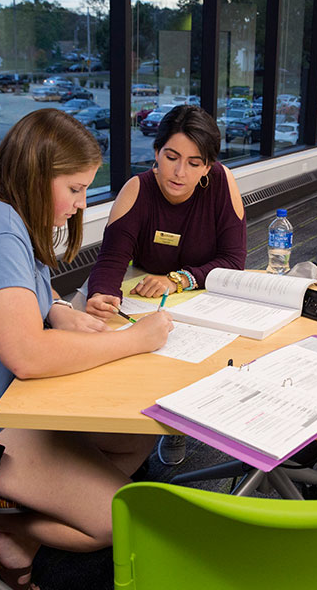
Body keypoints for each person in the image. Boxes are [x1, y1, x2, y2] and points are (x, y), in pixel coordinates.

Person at [0, 109, 173, 589]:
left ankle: (21, 525)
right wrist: (133, 341)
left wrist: (59, 311)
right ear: (38, 177)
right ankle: (6, 527)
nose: (81, 205)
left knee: (138, 436)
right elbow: (29, 355)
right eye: (76, 189)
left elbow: (27, 288)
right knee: (120, 517)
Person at [83, 105, 247, 466]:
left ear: (207, 166)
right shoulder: (137, 189)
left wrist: (178, 279)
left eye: (193, 162)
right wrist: (102, 295)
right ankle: (139, 425)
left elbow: (235, 262)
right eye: (171, 157)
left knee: (199, 355)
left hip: (200, 292)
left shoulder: (222, 183)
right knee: (124, 348)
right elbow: (111, 261)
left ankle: (178, 421)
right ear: (156, 153)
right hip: (140, 287)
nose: (178, 171)